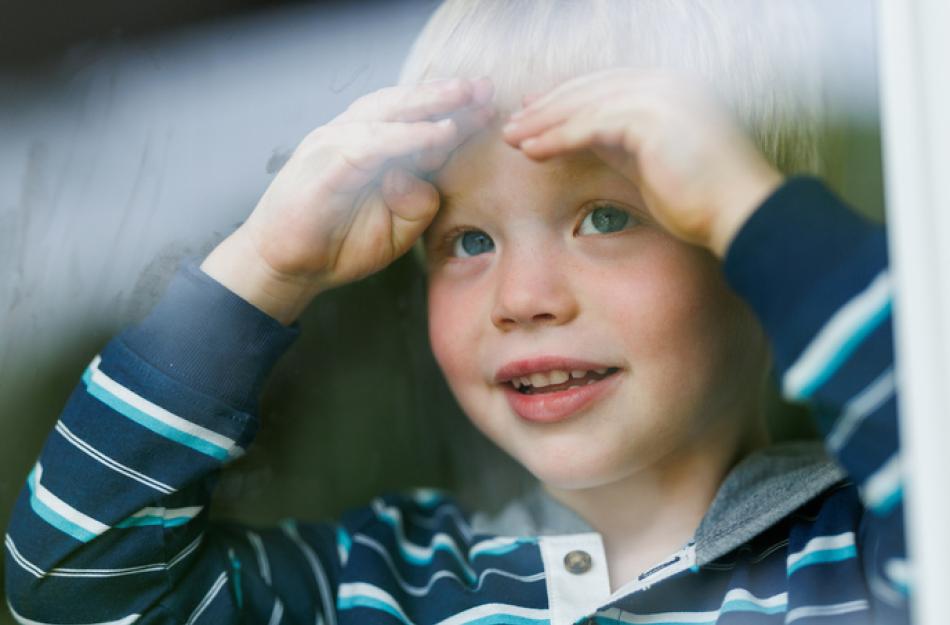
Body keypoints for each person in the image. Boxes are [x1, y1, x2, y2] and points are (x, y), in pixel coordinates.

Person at [5, 1, 908, 624]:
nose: (523, 299)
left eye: (605, 217)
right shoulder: (374, 588)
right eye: (469, 240)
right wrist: (269, 263)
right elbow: (74, 582)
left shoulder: (878, 546)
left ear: (745, 254)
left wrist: (757, 212)